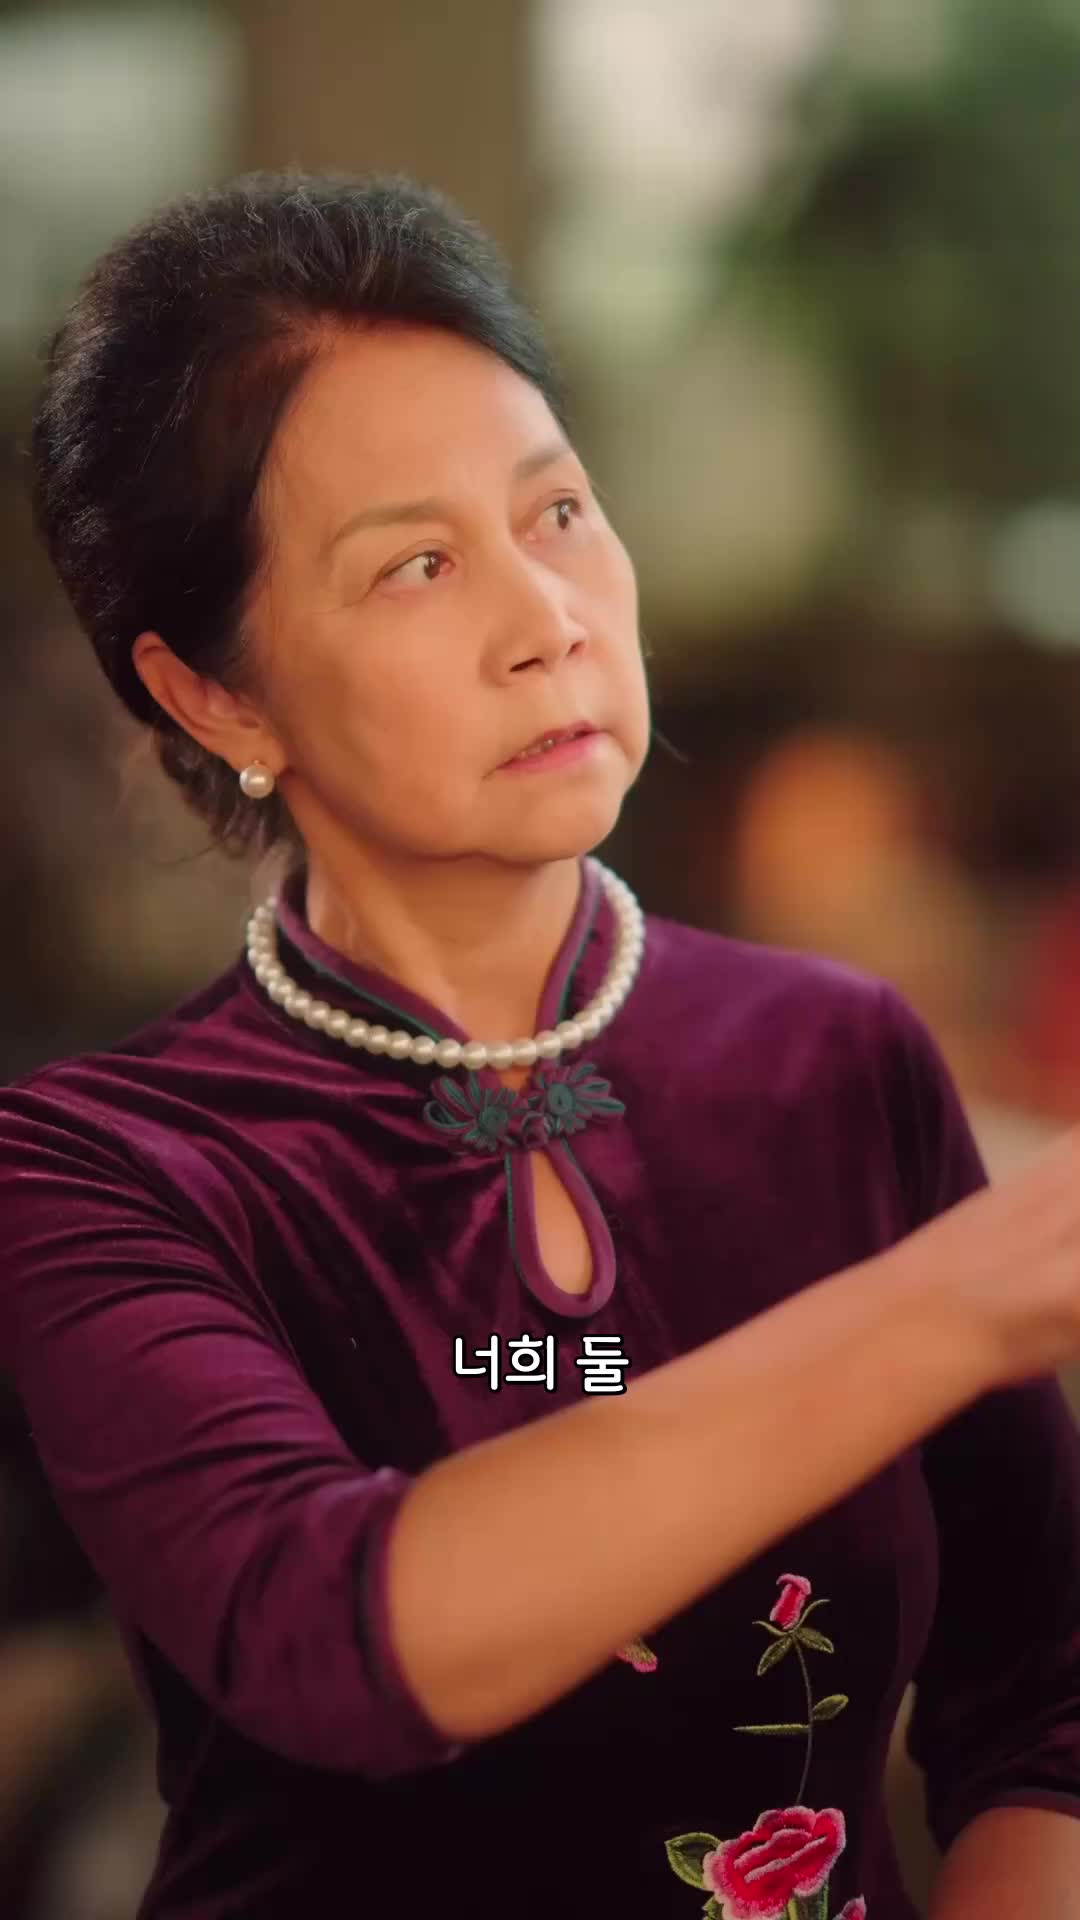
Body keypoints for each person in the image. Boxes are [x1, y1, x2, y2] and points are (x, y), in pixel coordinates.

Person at [1, 170, 1078, 1920]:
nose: (546, 621)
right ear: (217, 694)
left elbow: (1046, 1699)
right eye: (417, 565)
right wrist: (956, 1299)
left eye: (558, 512)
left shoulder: (834, 1063)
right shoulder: (107, 1169)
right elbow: (330, 1631)